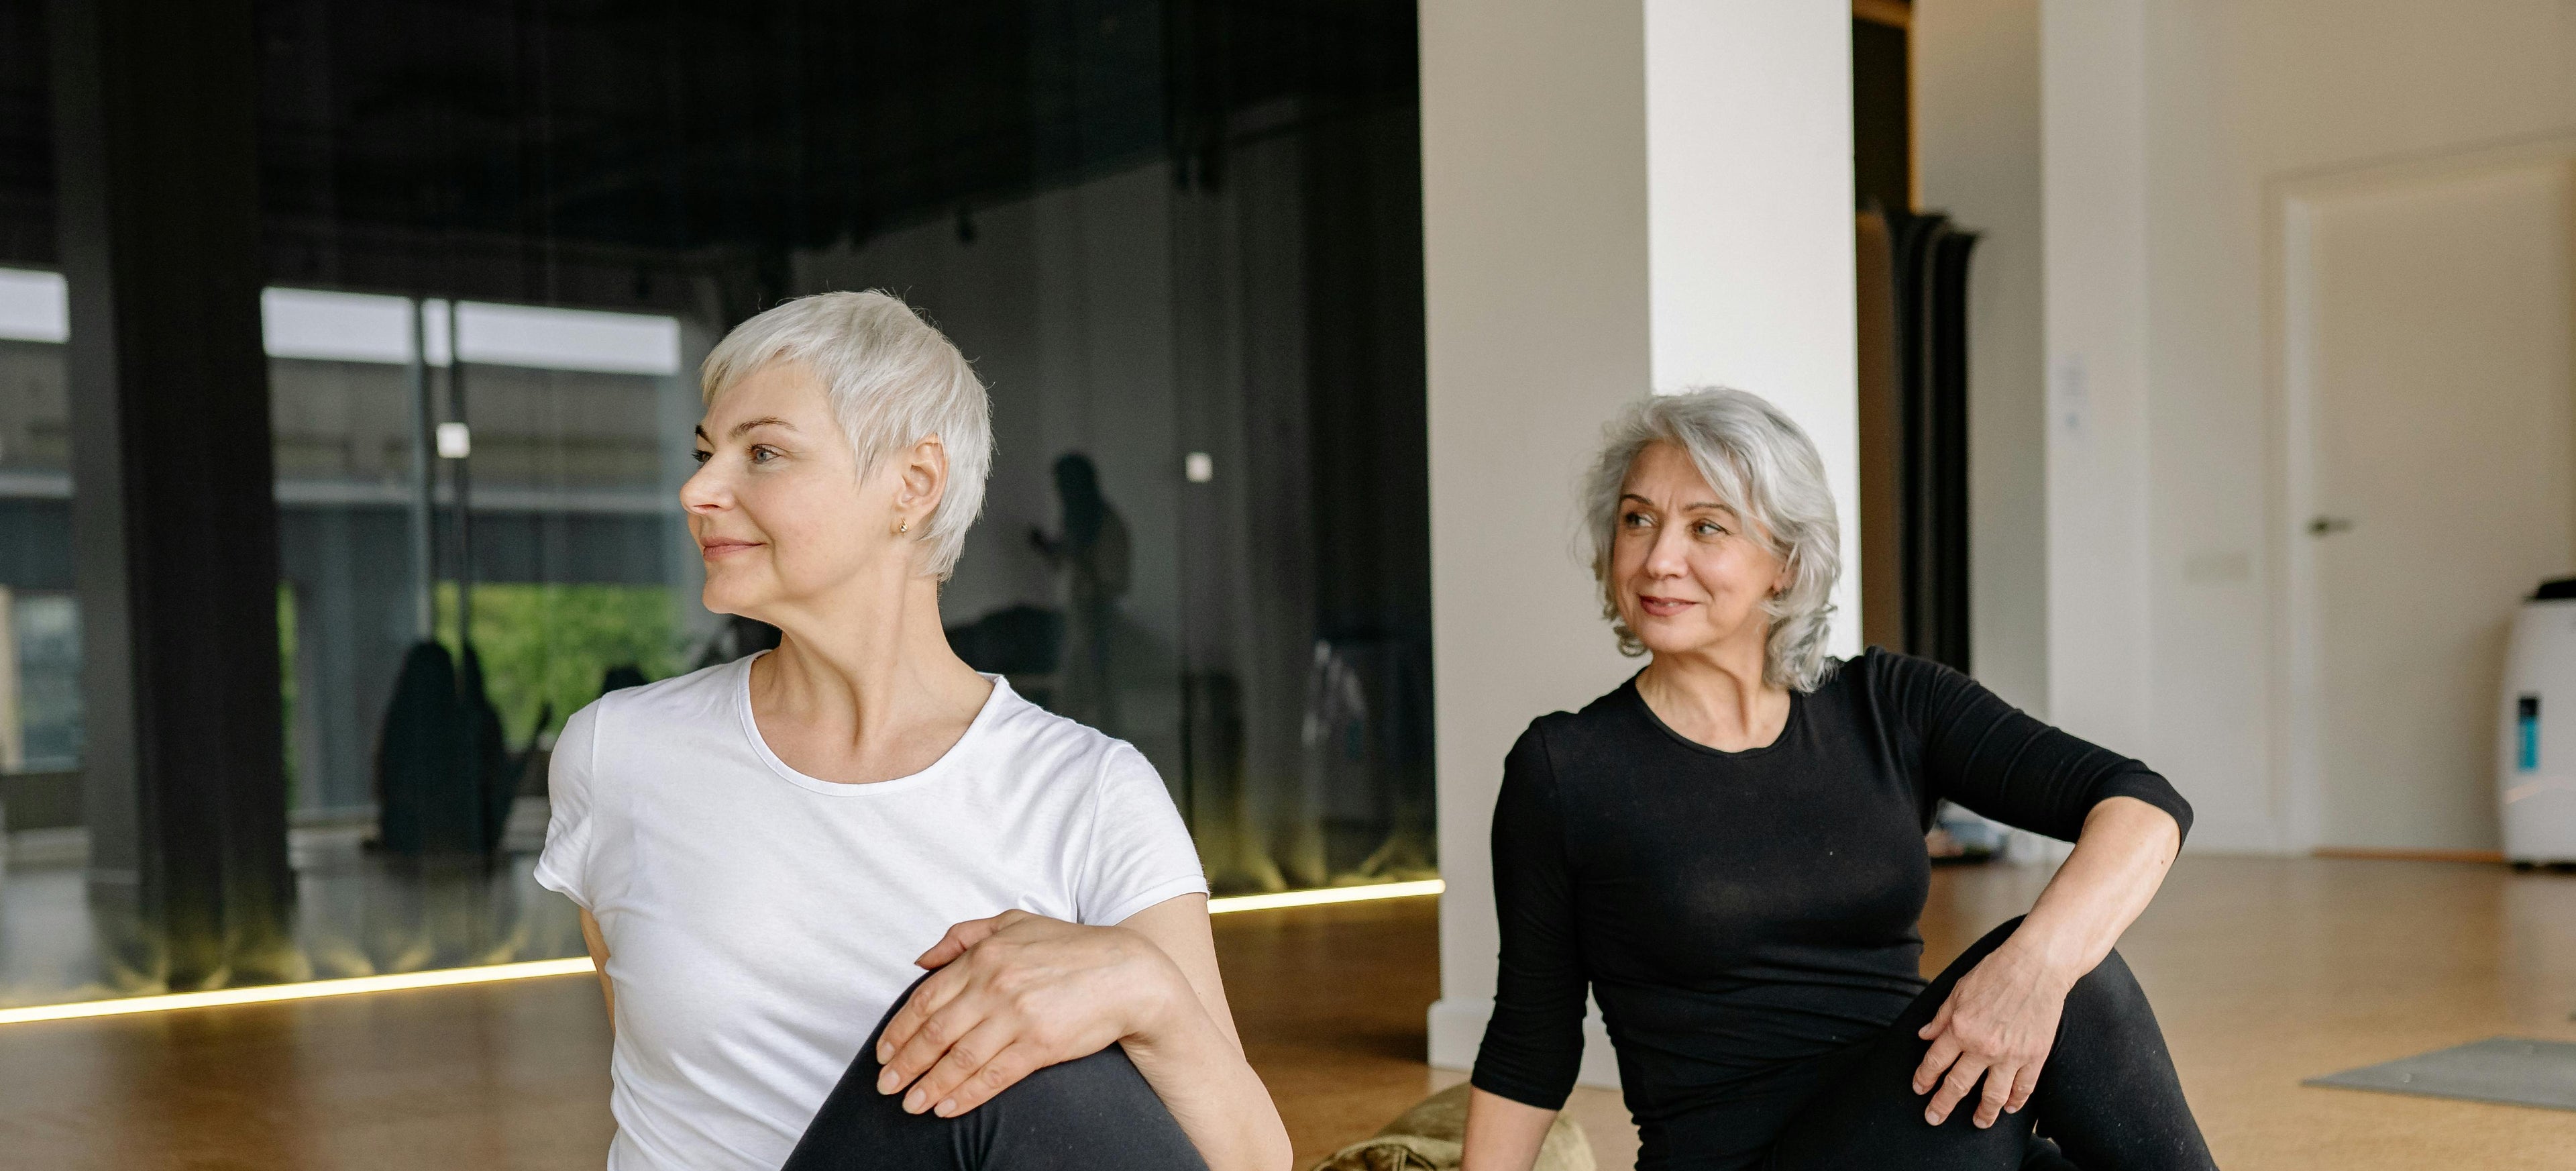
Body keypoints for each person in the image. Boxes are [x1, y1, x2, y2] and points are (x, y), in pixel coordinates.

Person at [536, 291, 1291, 1171]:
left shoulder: (1089, 790)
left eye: (764, 453)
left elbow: (1250, 1160)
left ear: (914, 485)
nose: (698, 489)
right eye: (706, 454)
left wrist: (1147, 991)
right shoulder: (619, 754)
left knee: (1043, 1064)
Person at [1460, 389, 2217, 1171]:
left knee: (2069, 988)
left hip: (1909, 1132)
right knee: (2074, 1006)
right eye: (1637, 518)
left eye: (1706, 526)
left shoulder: (1888, 705)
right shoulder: (1565, 766)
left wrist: (2035, 968)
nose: (1659, 558)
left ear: (1784, 564)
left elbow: (2144, 802)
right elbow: (1531, 1041)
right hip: (1741, 1160)